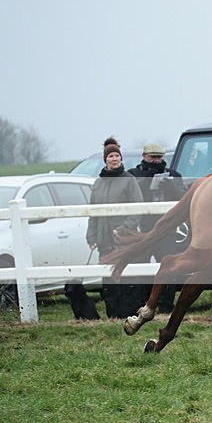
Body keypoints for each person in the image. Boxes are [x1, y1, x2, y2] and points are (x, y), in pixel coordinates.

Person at [86, 137, 144, 319]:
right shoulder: (98, 183)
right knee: (108, 278)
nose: (114, 159)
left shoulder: (129, 180)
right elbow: (93, 212)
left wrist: (124, 228)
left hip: (124, 239)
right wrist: (91, 236)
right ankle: (113, 314)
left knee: (126, 276)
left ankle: (128, 314)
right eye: (110, 156)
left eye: (116, 155)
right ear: (105, 159)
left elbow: (138, 207)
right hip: (104, 240)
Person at [128, 143, 187, 313]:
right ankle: (141, 304)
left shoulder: (174, 176)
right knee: (140, 268)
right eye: (152, 157)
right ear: (144, 156)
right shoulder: (134, 175)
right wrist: (145, 185)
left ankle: (166, 304)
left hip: (166, 230)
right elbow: (131, 198)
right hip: (143, 230)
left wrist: (172, 187)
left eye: (159, 157)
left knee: (169, 268)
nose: (156, 161)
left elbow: (184, 197)